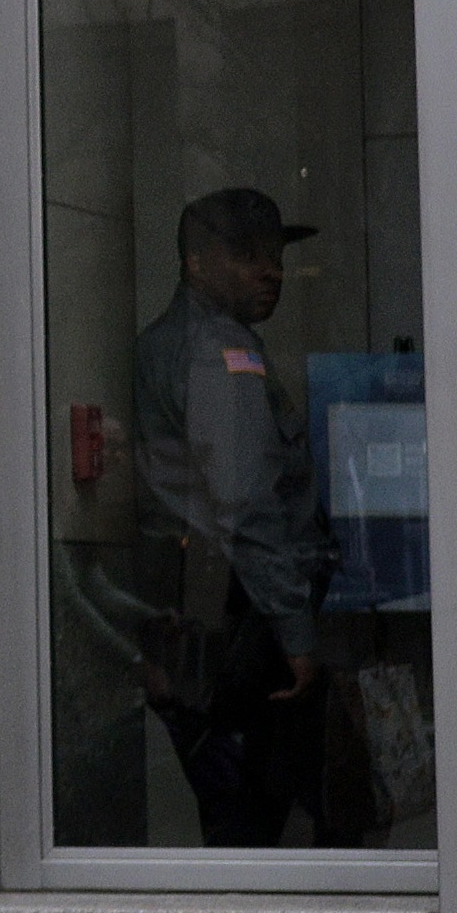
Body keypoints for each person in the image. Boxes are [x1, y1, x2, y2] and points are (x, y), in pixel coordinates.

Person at [119, 185, 343, 847]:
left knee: (233, 818)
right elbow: (245, 505)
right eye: (248, 256)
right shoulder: (221, 353)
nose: (270, 271)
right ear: (196, 264)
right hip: (243, 624)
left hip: (204, 617)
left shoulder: (165, 342)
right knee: (256, 820)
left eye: (274, 255)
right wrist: (297, 637)